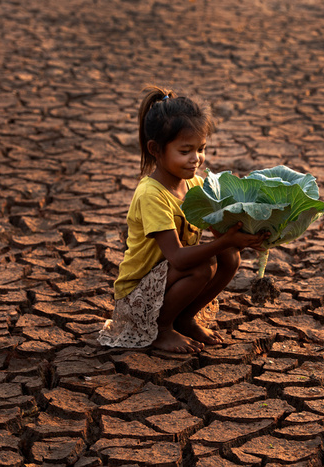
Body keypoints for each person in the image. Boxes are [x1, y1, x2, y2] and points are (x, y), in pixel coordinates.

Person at [98, 86, 269, 353]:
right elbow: (178, 257)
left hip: (166, 284)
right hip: (137, 298)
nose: (196, 159)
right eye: (185, 150)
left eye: (201, 148)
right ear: (155, 149)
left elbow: (221, 234)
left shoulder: (195, 186)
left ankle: (184, 319)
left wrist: (246, 237)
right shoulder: (151, 195)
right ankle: (161, 330)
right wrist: (226, 241)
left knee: (230, 257)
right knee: (202, 265)